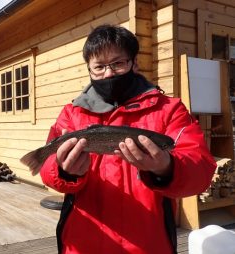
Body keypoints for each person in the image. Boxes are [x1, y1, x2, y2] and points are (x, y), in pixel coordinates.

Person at [39, 24, 216, 254]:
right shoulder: (72, 113)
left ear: (134, 63)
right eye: (99, 67)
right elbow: (46, 171)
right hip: (82, 245)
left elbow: (200, 170)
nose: (108, 74)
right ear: (89, 70)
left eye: (118, 63)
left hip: (149, 245)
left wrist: (167, 167)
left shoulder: (170, 110)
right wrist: (64, 170)